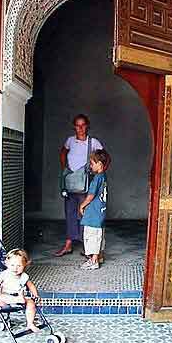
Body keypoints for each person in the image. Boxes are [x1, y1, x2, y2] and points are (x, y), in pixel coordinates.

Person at [55, 114, 110, 256]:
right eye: (77, 125)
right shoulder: (70, 141)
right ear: (74, 126)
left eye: (83, 125)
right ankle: (68, 244)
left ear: (87, 126)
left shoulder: (93, 142)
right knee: (70, 212)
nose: (80, 128)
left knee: (84, 212)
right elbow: (63, 152)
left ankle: (87, 247)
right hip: (71, 182)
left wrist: (99, 173)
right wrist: (64, 168)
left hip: (85, 183)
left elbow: (105, 157)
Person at [0, 248, 40, 333]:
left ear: (25, 265)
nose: (15, 268)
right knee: (0, 297)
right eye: (12, 265)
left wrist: (36, 295)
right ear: (7, 264)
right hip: (5, 297)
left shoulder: (24, 276)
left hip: (20, 297)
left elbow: (31, 286)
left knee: (31, 303)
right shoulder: (4, 275)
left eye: (19, 266)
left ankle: (30, 323)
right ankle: (17, 300)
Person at [79, 149, 109, 270]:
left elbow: (91, 196)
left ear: (99, 164)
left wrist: (82, 205)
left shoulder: (96, 179)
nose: (90, 166)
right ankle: (99, 256)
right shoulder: (103, 176)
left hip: (93, 214)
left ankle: (93, 260)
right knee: (99, 236)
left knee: (91, 236)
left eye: (92, 163)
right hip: (100, 212)